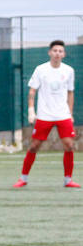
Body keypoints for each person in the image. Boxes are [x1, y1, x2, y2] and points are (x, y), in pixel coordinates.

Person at [13, 39, 78, 188]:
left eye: (60, 51)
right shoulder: (40, 69)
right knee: (34, 146)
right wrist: (31, 111)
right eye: (55, 51)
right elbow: (32, 91)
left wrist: (70, 113)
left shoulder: (69, 71)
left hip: (63, 115)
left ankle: (68, 180)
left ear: (64, 54)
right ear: (50, 52)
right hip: (44, 115)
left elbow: (70, 93)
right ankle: (23, 178)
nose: (57, 53)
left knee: (69, 145)